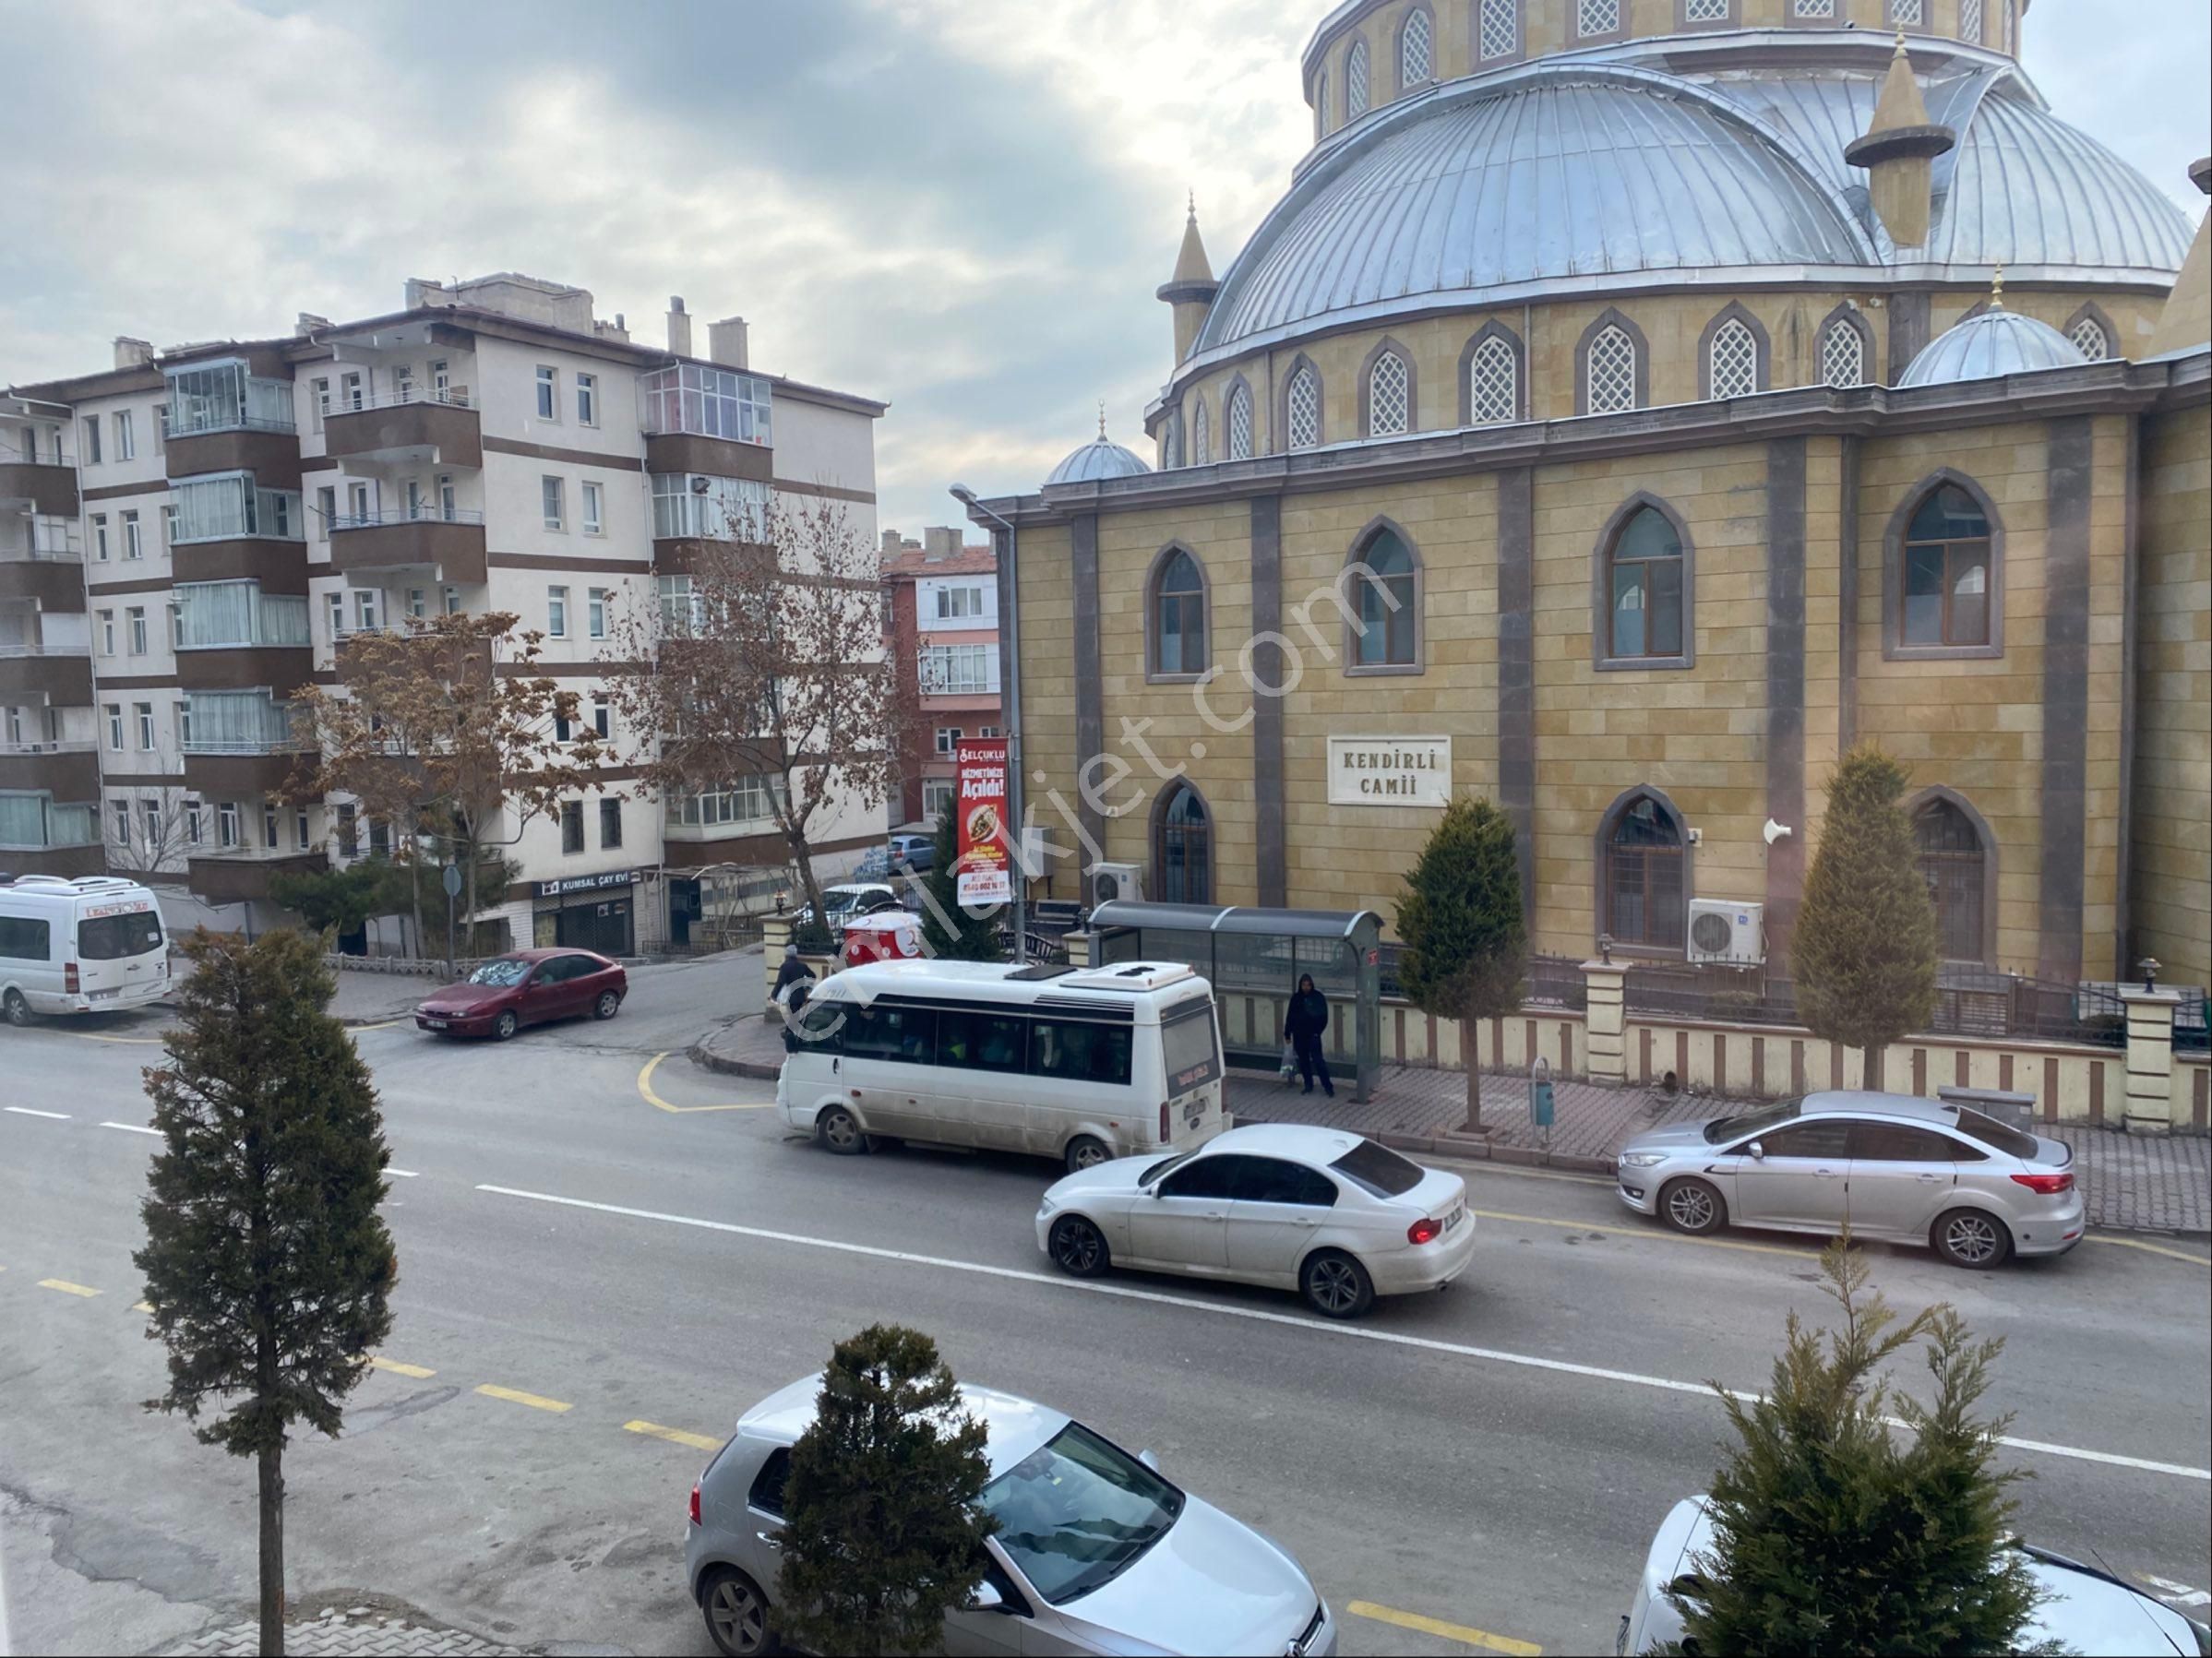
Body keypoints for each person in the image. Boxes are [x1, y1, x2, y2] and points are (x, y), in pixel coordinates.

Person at [1283, 973, 1334, 1098]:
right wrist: (1287, 1033)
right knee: (1304, 1061)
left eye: (1308, 985)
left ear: (1312, 985)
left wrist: (1317, 1032)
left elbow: (1324, 1017)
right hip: (1299, 1035)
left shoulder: (1317, 997)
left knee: (1318, 1061)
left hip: (1313, 1035)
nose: (1306, 987)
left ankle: (1328, 1086)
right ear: (1300, 985)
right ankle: (1308, 1085)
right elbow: (1290, 1017)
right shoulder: (1296, 998)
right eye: (1304, 985)